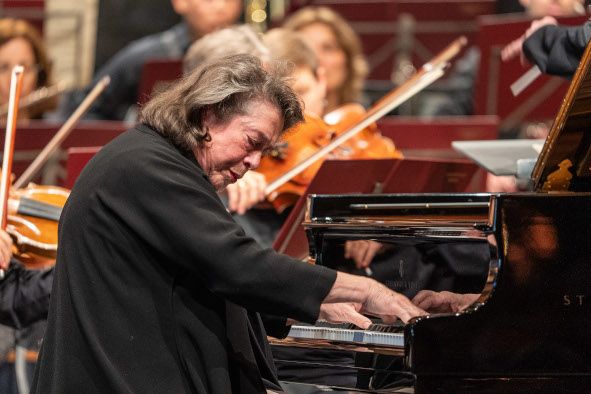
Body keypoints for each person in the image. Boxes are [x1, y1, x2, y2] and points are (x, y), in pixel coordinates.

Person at [31, 54, 425, 393]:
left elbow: (202, 275)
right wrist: (366, 289)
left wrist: (318, 305)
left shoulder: (159, 162)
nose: (255, 162)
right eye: (252, 142)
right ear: (208, 115)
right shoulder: (147, 167)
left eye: (265, 150)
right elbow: (235, 264)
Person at [60, 0, 242, 121]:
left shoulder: (250, 55)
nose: (221, 7)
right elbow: (83, 108)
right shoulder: (148, 55)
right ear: (180, 2)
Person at [283, 6, 369, 114]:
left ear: (348, 61)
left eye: (328, 48)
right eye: (305, 49)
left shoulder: (361, 123)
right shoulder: (275, 127)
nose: (316, 57)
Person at [0, 18, 57, 120]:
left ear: (39, 75)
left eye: (24, 69)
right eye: (3, 68)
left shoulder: (59, 130)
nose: (15, 81)